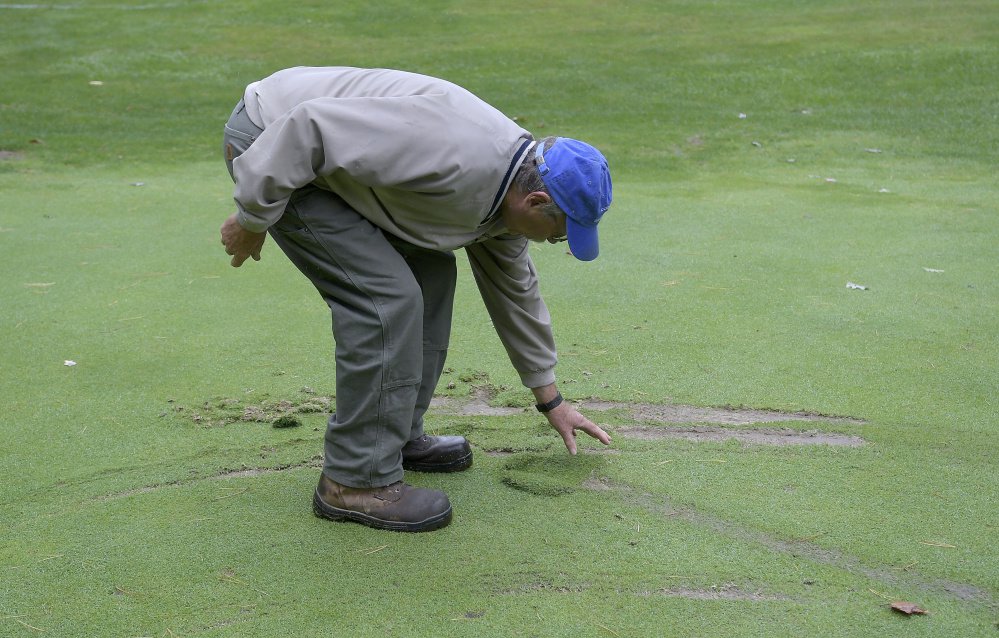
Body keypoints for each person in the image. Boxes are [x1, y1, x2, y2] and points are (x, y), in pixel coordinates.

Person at [220, 66, 613, 532]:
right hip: (272, 141)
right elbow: (307, 128)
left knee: (431, 274)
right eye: (561, 231)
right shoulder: (453, 153)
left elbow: (515, 295)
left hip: (324, 158)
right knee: (386, 299)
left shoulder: (508, 200)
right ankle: (353, 482)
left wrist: (552, 400)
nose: (558, 244)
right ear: (535, 201)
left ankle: (394, 437)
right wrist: (252, 217)